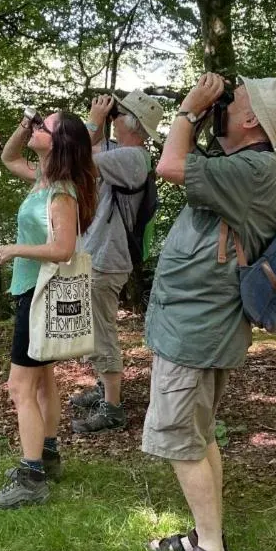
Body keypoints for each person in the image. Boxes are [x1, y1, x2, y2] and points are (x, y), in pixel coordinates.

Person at [141, 73, 276, 551]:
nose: (223, 102)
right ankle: (204, 534)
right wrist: (203, 119)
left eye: (234, 100)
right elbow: (187, 166)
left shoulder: (255, 169)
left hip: (200, 325)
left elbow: (168, 165)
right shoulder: (239, 166)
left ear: (251, 120)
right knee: (199, 433)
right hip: (193, 320)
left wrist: (187, 112)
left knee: (181, 437)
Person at [0, 109, 97, 508]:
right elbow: (7, 157)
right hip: (30, 290)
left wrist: (15, 249)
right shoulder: (43, 180)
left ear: (58, 142)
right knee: (44, 379)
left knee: (20, 387)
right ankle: (48, 455)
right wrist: (25, 123)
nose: (35, 129)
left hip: (38, 292)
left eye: (42, 127)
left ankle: (31, 477)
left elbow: (64, 249)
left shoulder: (62, 192)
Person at [69, 91, 163, 434]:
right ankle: (103, 387)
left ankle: (112, 407)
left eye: (118, 114)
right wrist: (96, 124)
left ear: (131, 124)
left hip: (108, 258)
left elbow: (75, 157)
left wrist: (94, 120)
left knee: (101, 330)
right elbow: (89, 149)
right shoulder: (119, 152)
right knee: (93, 327)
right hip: (100, 254)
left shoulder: (133, 158)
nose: (113, 118)